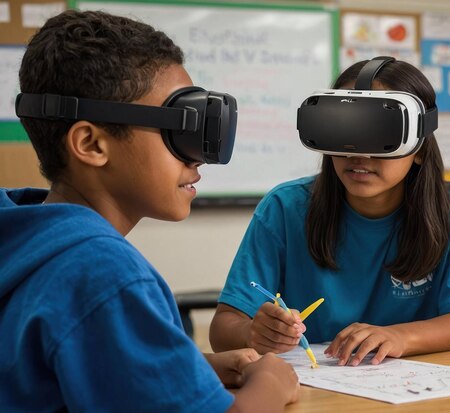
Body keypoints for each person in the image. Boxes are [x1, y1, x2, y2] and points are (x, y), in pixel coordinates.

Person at [0, 10, 298, 412]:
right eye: (181, 130)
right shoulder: (103, 274)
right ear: (91, 144)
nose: (198, 160)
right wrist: (271, 383)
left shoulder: (27, 236)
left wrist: (193, 368)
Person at [210, 59, 450, 366]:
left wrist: (400, 337)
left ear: (420, 148)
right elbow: (223, 327)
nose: (357, 154)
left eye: (380, 133)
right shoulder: (285, 208)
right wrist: (254, 333)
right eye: (343, 130)